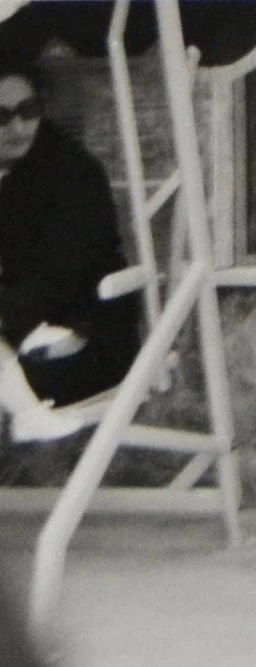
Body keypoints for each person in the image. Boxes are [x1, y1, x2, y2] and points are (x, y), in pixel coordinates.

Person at [0, 61, 139, 440]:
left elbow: (60, 277)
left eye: (29, 110)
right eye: (1, 116)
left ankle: (29, 414)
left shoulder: (71, 175)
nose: (18, 127)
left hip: (82, 335)